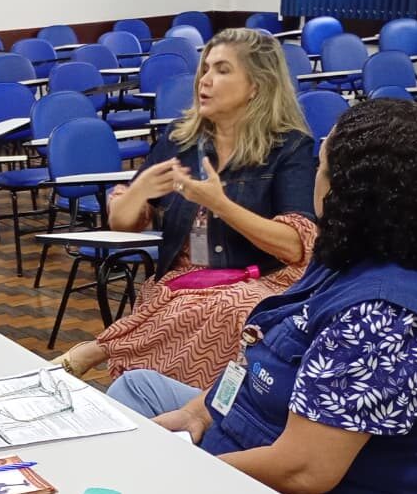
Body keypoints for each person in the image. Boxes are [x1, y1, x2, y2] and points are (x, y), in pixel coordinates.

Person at [107, 99, 417, 493]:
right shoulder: (384, 248)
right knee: (136, 388)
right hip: (257, 422)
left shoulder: (384, 317)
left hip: (280, 469)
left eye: (320, 167)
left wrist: (184, 473)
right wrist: (199, 412)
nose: (314, 177)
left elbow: (303, 471)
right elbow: (265, 351)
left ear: (351, 192)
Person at [55, 27, 317, 388]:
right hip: (183, 283)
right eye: (205, 69)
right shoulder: (181, 138)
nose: (205, 81)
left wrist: (220, 205)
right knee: (205, 305)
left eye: (222, 70)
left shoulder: (289, 147)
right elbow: (123, 224)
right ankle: (159, 401)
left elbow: (293, 246)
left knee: (236, 307)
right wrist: (137, 192)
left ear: (257, 85)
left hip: (262, 278)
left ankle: (104, 351)